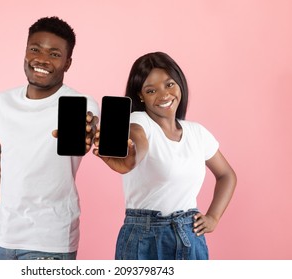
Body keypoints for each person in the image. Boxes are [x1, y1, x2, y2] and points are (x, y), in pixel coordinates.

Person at [93, 52, 237, 260]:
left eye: (169, 85)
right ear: (141, 96)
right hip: (145, 238)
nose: (164, 95)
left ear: (179, 83)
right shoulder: (138, 120)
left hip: (191, 235)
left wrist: (213, 217)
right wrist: (131, 158)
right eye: (151, 90)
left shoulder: (197, 132)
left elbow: (227, 175)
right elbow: (138, 139)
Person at [0, 16, 99, 260]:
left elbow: (87, 137)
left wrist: (89, 134)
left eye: (54, 54)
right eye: (35, 49)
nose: (42, 59)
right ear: (25, 52)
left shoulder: (81, 105)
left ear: (67, 63)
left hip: (50, 241)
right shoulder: (3, 102)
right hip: (1, 238)